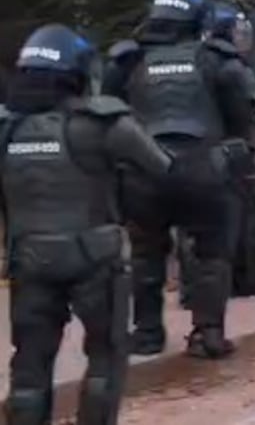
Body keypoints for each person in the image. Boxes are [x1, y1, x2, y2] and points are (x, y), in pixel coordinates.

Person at [0, 25, 173, 425]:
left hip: (30, 259)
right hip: (95, 258)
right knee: (105, 356)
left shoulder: (7, 128)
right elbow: (162, 167)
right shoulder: (102, 122)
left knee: (29, 363)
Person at [103, 0, 255, 359]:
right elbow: (242, 119)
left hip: (143, 173)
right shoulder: (219, 60)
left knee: (145, 254)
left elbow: (108, 117)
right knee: (211, 253)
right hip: (205, 170)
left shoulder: (126, 62)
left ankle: (147, 333)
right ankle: (208, 333)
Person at [205, 1, 255, 296]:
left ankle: (197, 286)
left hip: (199, 150)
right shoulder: (234, 66)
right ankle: (247, 279)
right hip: (234, 149)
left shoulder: (194, 60)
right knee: (247, 215)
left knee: (201, 222)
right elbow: (254, 109)